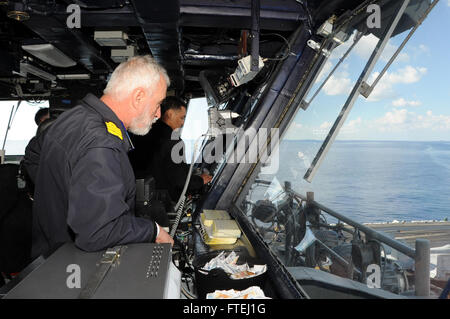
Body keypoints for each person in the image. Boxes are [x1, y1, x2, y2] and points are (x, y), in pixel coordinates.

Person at [31, 55, 174, 260]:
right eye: (158, 103)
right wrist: (154, 230)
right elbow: (99, 232)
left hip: (48, 257)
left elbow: (33, 156)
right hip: (70, 268)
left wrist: (62, 195)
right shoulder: (102, 142)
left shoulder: (72, 117)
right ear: (138, 96)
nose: (158, 113)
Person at [129, 96, 212, 203]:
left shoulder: (143, 131)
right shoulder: (174, 142)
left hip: (136, 195)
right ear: (170, 114)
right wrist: (200, 180)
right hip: (160, 201)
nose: (183, 123)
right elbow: (180, 181)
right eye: (182, 118)